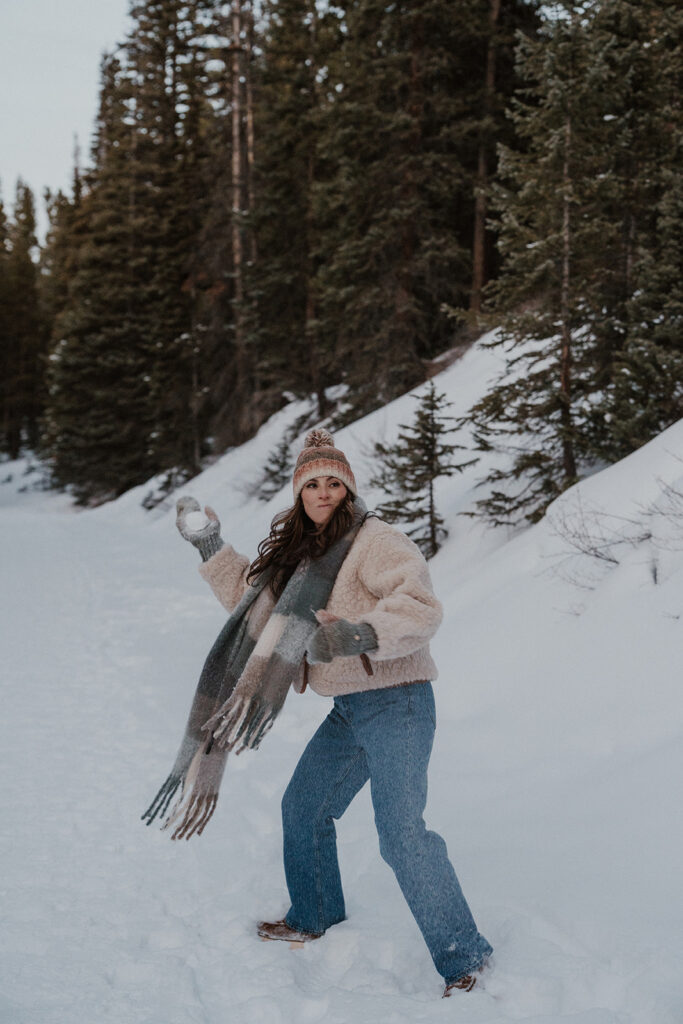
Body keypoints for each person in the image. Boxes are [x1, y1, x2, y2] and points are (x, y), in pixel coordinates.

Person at [165, 429, 492, 997]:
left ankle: (466, 959)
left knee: (401, 835)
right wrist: (209, 545)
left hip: (399, 702)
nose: (322, 493)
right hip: (349, 709)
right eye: (311, 484)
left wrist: (359, 634)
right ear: (298, 493)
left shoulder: (376, 541)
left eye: (333, 483)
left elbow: (419, 608)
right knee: (305, 806)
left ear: (348, 488)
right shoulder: (302, 552)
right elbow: (254, 602)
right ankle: (314, 916)